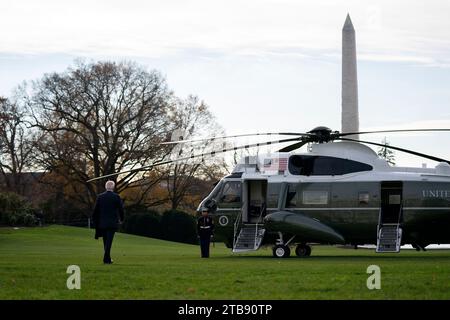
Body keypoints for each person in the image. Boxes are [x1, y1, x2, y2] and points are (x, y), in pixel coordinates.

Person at [92, 180, 125, 264]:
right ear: (113, 187)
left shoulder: (100, 197)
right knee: (109, 242)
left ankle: (108, 259)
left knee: (106, 241)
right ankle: (106, 259)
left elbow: (95, 210)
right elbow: (121, 209)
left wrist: (95, 221)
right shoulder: (116, 197)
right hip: (112, 222)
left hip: (102, 223)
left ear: (106, 187)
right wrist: (122, 219)